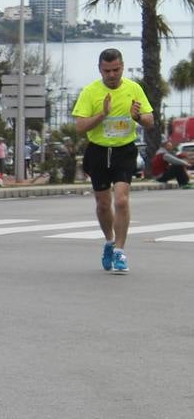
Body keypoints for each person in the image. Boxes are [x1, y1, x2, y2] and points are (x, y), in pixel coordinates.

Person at [71, 48, 155, 273]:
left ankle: (120, 251)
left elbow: (150, 120)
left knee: (121, 201)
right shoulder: (90, 92)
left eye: (116, 70)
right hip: (98, 151)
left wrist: (137, 116)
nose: (112, 75)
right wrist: (102, 114)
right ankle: (109, 241)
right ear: (100, 69)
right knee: (103, 204)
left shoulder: (133, 89)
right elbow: (79, 127)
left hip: (124, 151)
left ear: (122, 67)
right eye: (107, 71)